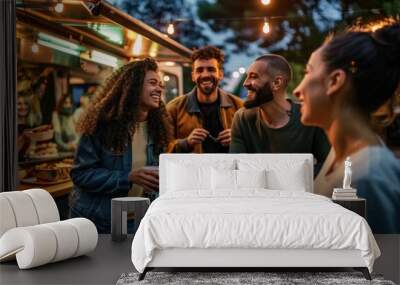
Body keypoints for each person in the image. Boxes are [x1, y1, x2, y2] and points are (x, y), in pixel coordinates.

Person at [293, 21, 400, 234]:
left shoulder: (368, 178)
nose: (297, 90)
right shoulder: (342, 156)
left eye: (308, 72)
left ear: (334, 81)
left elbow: (383, 263)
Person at [69, 58, 171, 233]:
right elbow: (81, 174)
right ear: (133, 86)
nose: (159, 89)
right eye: (153, 83)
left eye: (161, 84)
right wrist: (128, 177)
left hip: (138, 221)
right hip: (99, 223)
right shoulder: (102, 125)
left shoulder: (157, 128)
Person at [230, 54, 330, 176]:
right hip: (258, 193)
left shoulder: (311, 117)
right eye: (247, 77)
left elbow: (327, 166)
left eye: (253, 77)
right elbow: (236, 168)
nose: (245, 83)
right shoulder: (242, 119)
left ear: (276, 83)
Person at [166, 46, 243, 153]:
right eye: (199, 70)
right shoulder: (174, 109)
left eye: (211, 69)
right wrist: (186, 143)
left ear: (220, 74)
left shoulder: (239, 107)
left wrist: (237, 141)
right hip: (191, 170)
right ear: (193, 76)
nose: (205, 75)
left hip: (229, 169)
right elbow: (163, 149)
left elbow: (254, 146)